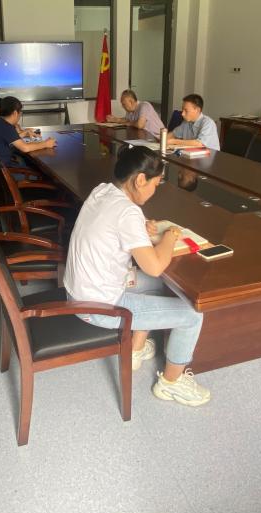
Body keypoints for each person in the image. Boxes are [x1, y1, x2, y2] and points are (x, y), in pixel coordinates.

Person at [64, 146, 209, 407]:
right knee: (193, 315)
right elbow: (154, 266)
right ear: (140, 179)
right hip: (98, 306)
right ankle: (171, 383)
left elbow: (114, 225)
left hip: (81, 290)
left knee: (161, 286)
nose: (155, 190)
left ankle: (135, 350)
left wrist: (142, 228)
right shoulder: (127, 212)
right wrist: (169, 237)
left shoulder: (103, 190)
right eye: (155, 184)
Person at [0, 96, 57, 166]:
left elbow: (5, 138)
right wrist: (45, 144)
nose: (20, 115)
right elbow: (25, 148)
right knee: (36, 169)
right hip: (3, 172)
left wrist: (23, 134)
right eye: (20, 112)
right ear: (15, 113)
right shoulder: (6, 126)